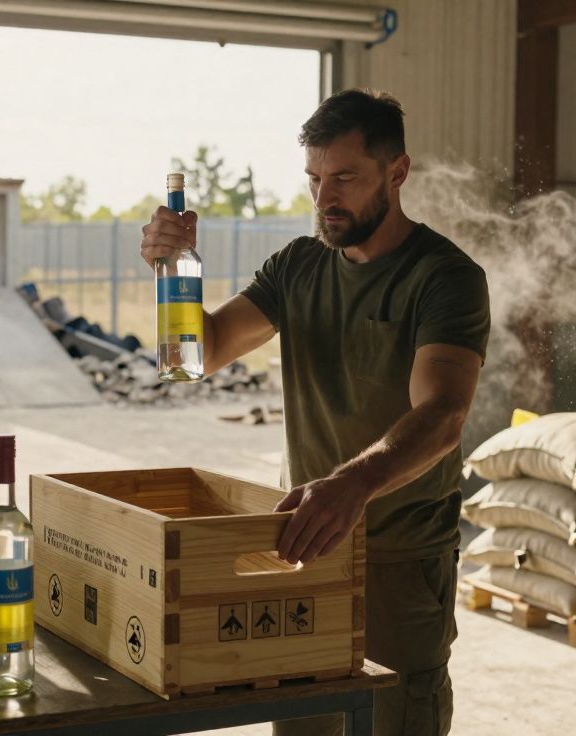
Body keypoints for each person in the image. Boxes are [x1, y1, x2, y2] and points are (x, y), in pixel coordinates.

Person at [140, 88, 489, 736]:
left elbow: (443, 413)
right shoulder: (297, 267)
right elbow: (192, 356)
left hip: (397, 562)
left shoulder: (444, 277)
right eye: (314, 178)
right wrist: (172, 269)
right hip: (303, 547)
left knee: (392, 717)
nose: (325, 198)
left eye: (345, 179)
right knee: (305, 718)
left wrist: (351, 484)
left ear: (397, 172)